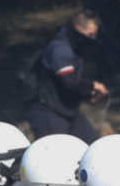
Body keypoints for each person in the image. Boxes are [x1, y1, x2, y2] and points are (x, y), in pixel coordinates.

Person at [25, 11, 109, 141]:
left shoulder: (75, 47)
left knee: (92, 145)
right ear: (78, 29)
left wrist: (88, 95)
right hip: (48, 111)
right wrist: (93, 86)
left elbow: (73, 83)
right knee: (57, 153)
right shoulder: (60, 49)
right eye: (90, 34)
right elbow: (70, 82)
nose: (93, 38)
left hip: (68, 110)